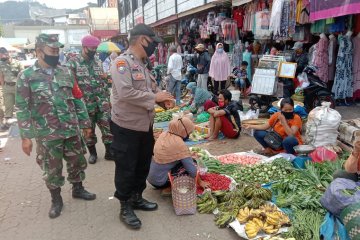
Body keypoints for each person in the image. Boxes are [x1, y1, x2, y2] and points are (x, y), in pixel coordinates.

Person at [16, 34, 96, 219]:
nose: (56, 53)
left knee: (77, 161)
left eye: (58, 50)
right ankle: (56, 199)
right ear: (39, 51)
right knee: (52, 168)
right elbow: (21, 108)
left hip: (71, 129)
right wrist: (25, 137)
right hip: (47, 134)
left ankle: (78, 188)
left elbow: (77, 98)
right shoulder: (26, 76)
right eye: (52, 50)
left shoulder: (66, 71)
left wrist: (85, 123)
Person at [110, 23, 174, 229]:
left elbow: (149, 90)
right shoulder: (122, 62)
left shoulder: (142, 64)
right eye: (152, 42)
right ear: (142, 40)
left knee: (142, 164)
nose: (154, 46)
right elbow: (126, 92)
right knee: (126, 167)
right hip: (126, 126)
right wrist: (154, 97)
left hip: (145, 125)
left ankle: (137, 197)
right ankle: (124, 205)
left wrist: (160, 100)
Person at [67, 35, 115, 164]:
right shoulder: (73, 63)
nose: (94, 50)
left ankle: (109, 152)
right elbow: (71, 86)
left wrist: (108, 100)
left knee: (108, 129)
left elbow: (103, 81)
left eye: (96, 48)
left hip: (102, 103)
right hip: (85, 105)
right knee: (89, 131)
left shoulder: (98, 61)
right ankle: (93, 154)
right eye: (92, 48)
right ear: (84, 47)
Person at [148, 117, 210, 196]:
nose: (189, 135)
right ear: (183, 131)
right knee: (192, 163)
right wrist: (200, 182)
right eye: (189, 132)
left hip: (151, 177)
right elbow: (191, 169)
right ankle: (169, 188)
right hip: (161, 182)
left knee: (186, 161)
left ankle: (166, 184)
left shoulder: (164, 134)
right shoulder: (179, 144)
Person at [0, 47, 22, 129]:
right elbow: (1, 76)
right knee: (8, 106)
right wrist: (3, 87)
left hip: (17, 87)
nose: (2, 58)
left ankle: (22, 123)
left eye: (3, 56)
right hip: (7, 87)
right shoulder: (1, 64)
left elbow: (22, 75)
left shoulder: (18, 63)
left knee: (20, 105)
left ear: (8, 54)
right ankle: (8, 124)